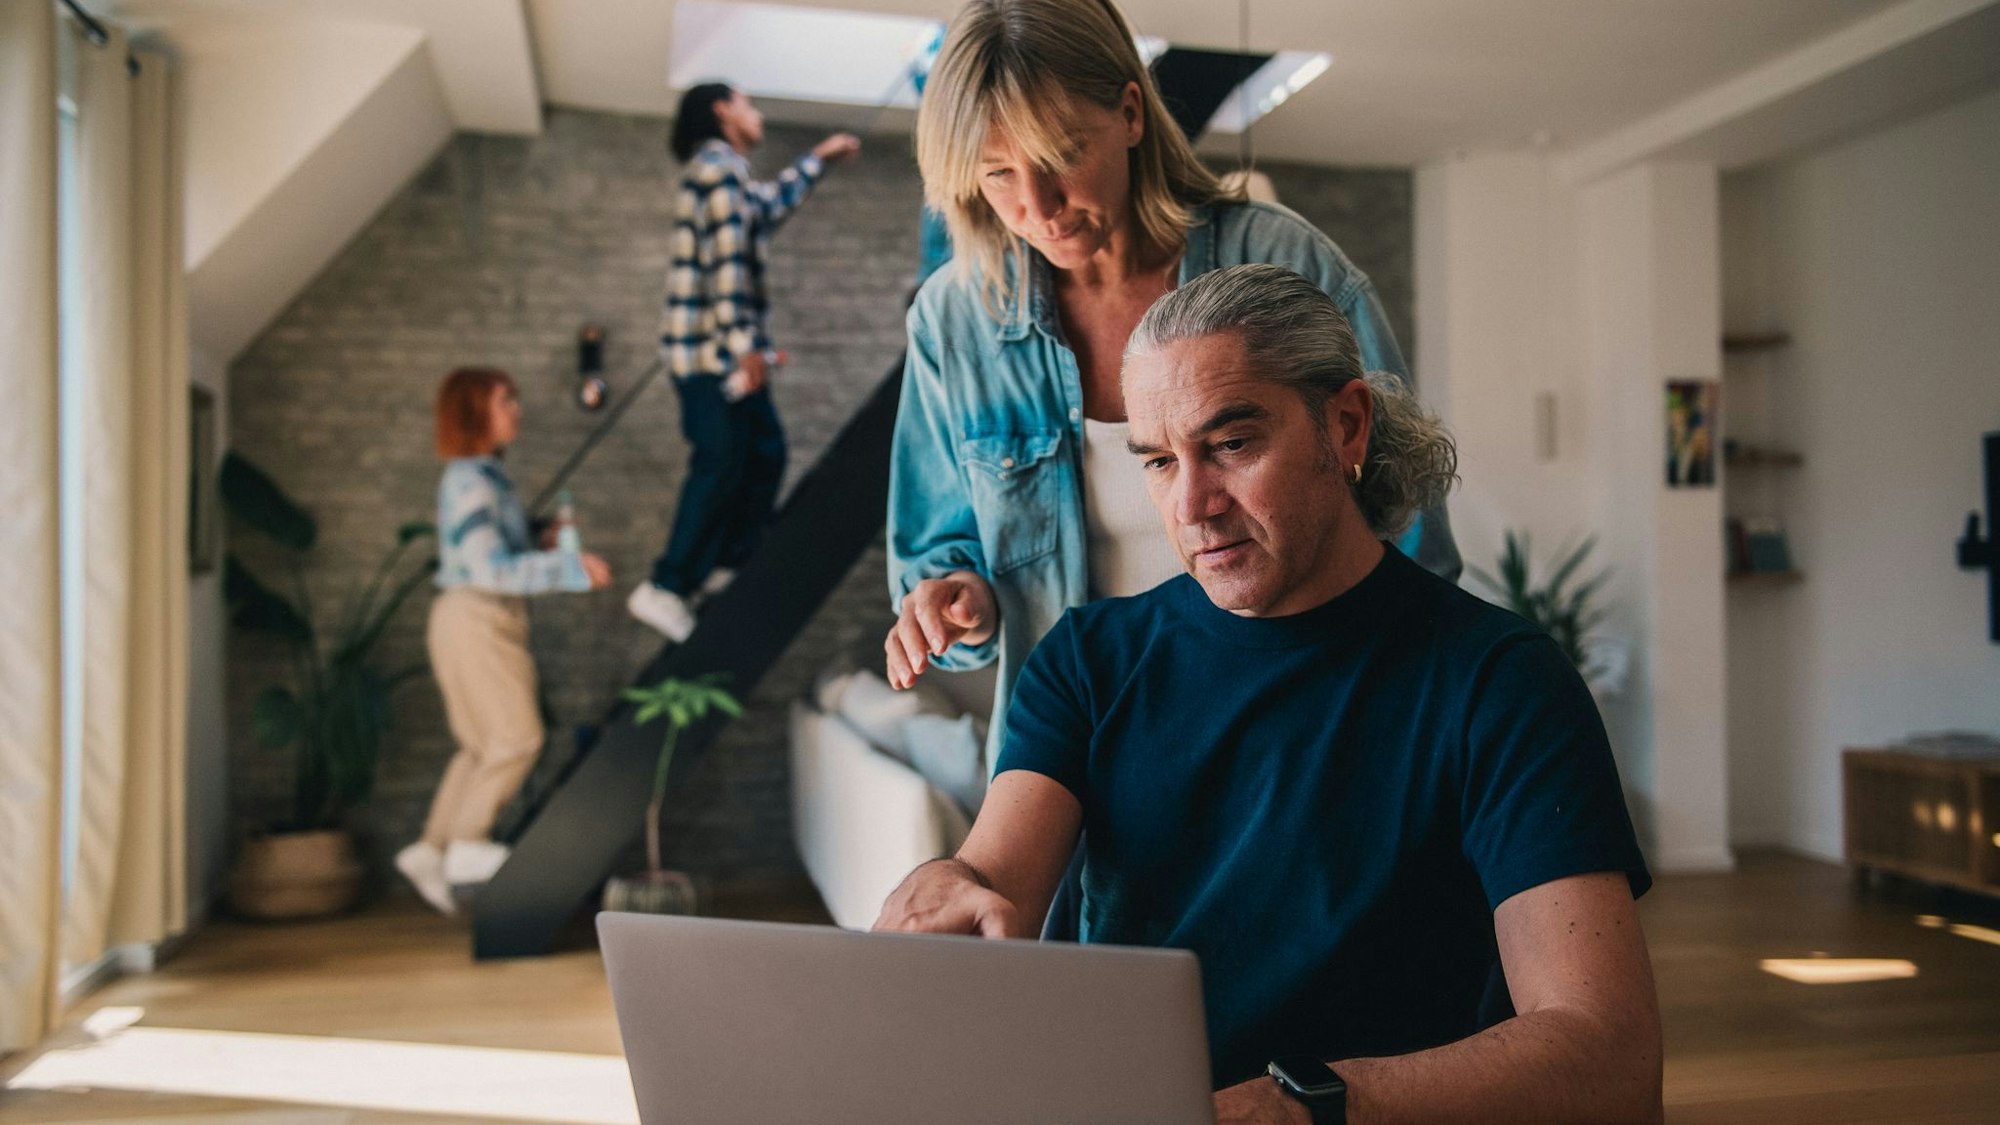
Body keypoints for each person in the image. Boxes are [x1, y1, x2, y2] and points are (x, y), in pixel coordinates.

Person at [877, 266, 1662, 1124]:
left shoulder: (1502, 682)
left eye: (1231, 445)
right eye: (1158, 460)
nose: (1192, 505)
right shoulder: (1088, 660)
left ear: (1346, 424)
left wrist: (1299, 1107)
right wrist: (945, 883)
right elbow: (995, 878)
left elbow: (1608, 1054)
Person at [884, 0, 1459, 782]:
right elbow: (938, 557)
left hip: (1298, 734)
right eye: (998, 176)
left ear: (1128, 112)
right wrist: (956, 603)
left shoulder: (1282, 259)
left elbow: (1408, 521)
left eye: (1060, 154)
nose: (1038, 206)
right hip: (1073, 765)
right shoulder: (955, 321)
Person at [628, 83, 862, 641]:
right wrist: (746, 347)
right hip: (712, 356)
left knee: (762, 454)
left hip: (717, 353)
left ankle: (722, 569)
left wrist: (818, 160)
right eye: (748, 103)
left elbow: (763, 211)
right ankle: (666, 585)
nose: (756, 114)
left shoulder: (725, 175)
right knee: (722, 460)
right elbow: (727, 265)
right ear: (721, 111)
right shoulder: (718, 169)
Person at [397, 368, 613, 916]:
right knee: (517, 738)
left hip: (461, 616)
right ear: (475, 412)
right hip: (480, 617)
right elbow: (489, 568)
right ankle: (467, 847)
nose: (516, 409)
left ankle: (431, 848)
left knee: (479, 745)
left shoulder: (483, 478)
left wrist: (536, 536)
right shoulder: (471, 480)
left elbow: (492, 546)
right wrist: (567, 567)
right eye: (505, 401)